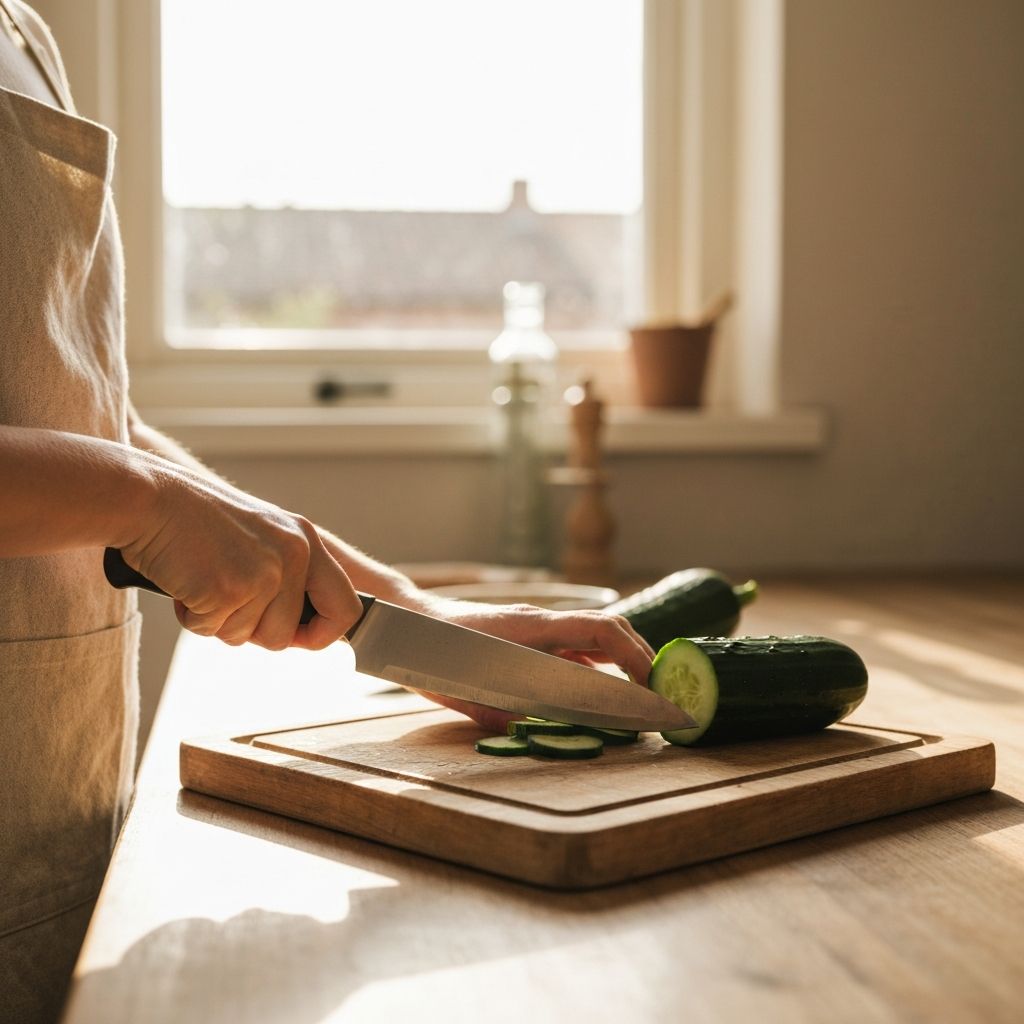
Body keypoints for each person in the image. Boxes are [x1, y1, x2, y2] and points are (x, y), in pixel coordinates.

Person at [0, 4, 653, 1021]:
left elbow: (83, 409)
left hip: (48, 807)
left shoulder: (23, 35)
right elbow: (121, 467)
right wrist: (145, 497)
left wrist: (399, 606)